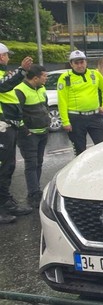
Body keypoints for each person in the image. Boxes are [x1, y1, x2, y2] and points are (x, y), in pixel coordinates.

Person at [0, 43, 34, 220]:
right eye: (6, 55)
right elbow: (3, 87)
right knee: (2, 166)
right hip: (1, 125)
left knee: (9, 166)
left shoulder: (3, 74)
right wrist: (21, 70)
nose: (8, 58)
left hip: (8, 124)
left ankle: (6, 202)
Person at [57, 50, 103, 155]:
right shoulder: (65, 78)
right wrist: (65, 121)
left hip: (95, 116)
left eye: (82, 62)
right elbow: (62, 100)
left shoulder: (95, 74)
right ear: (71, 64)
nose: (80, 65)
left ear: (86, 62)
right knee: (80, 150)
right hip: (76, 118)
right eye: (76, 63)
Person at [14, 65, 49, 205]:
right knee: (31, 164)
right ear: (35, 78)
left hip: (42, 132)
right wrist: (25, 131)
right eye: (44, 76)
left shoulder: (41, 88)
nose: (46, 78)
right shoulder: (20, 90)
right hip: (29, 135)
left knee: (38, 162)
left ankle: (36, 190)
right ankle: (33, 194)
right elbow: (16, 113)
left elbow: (44, 106)